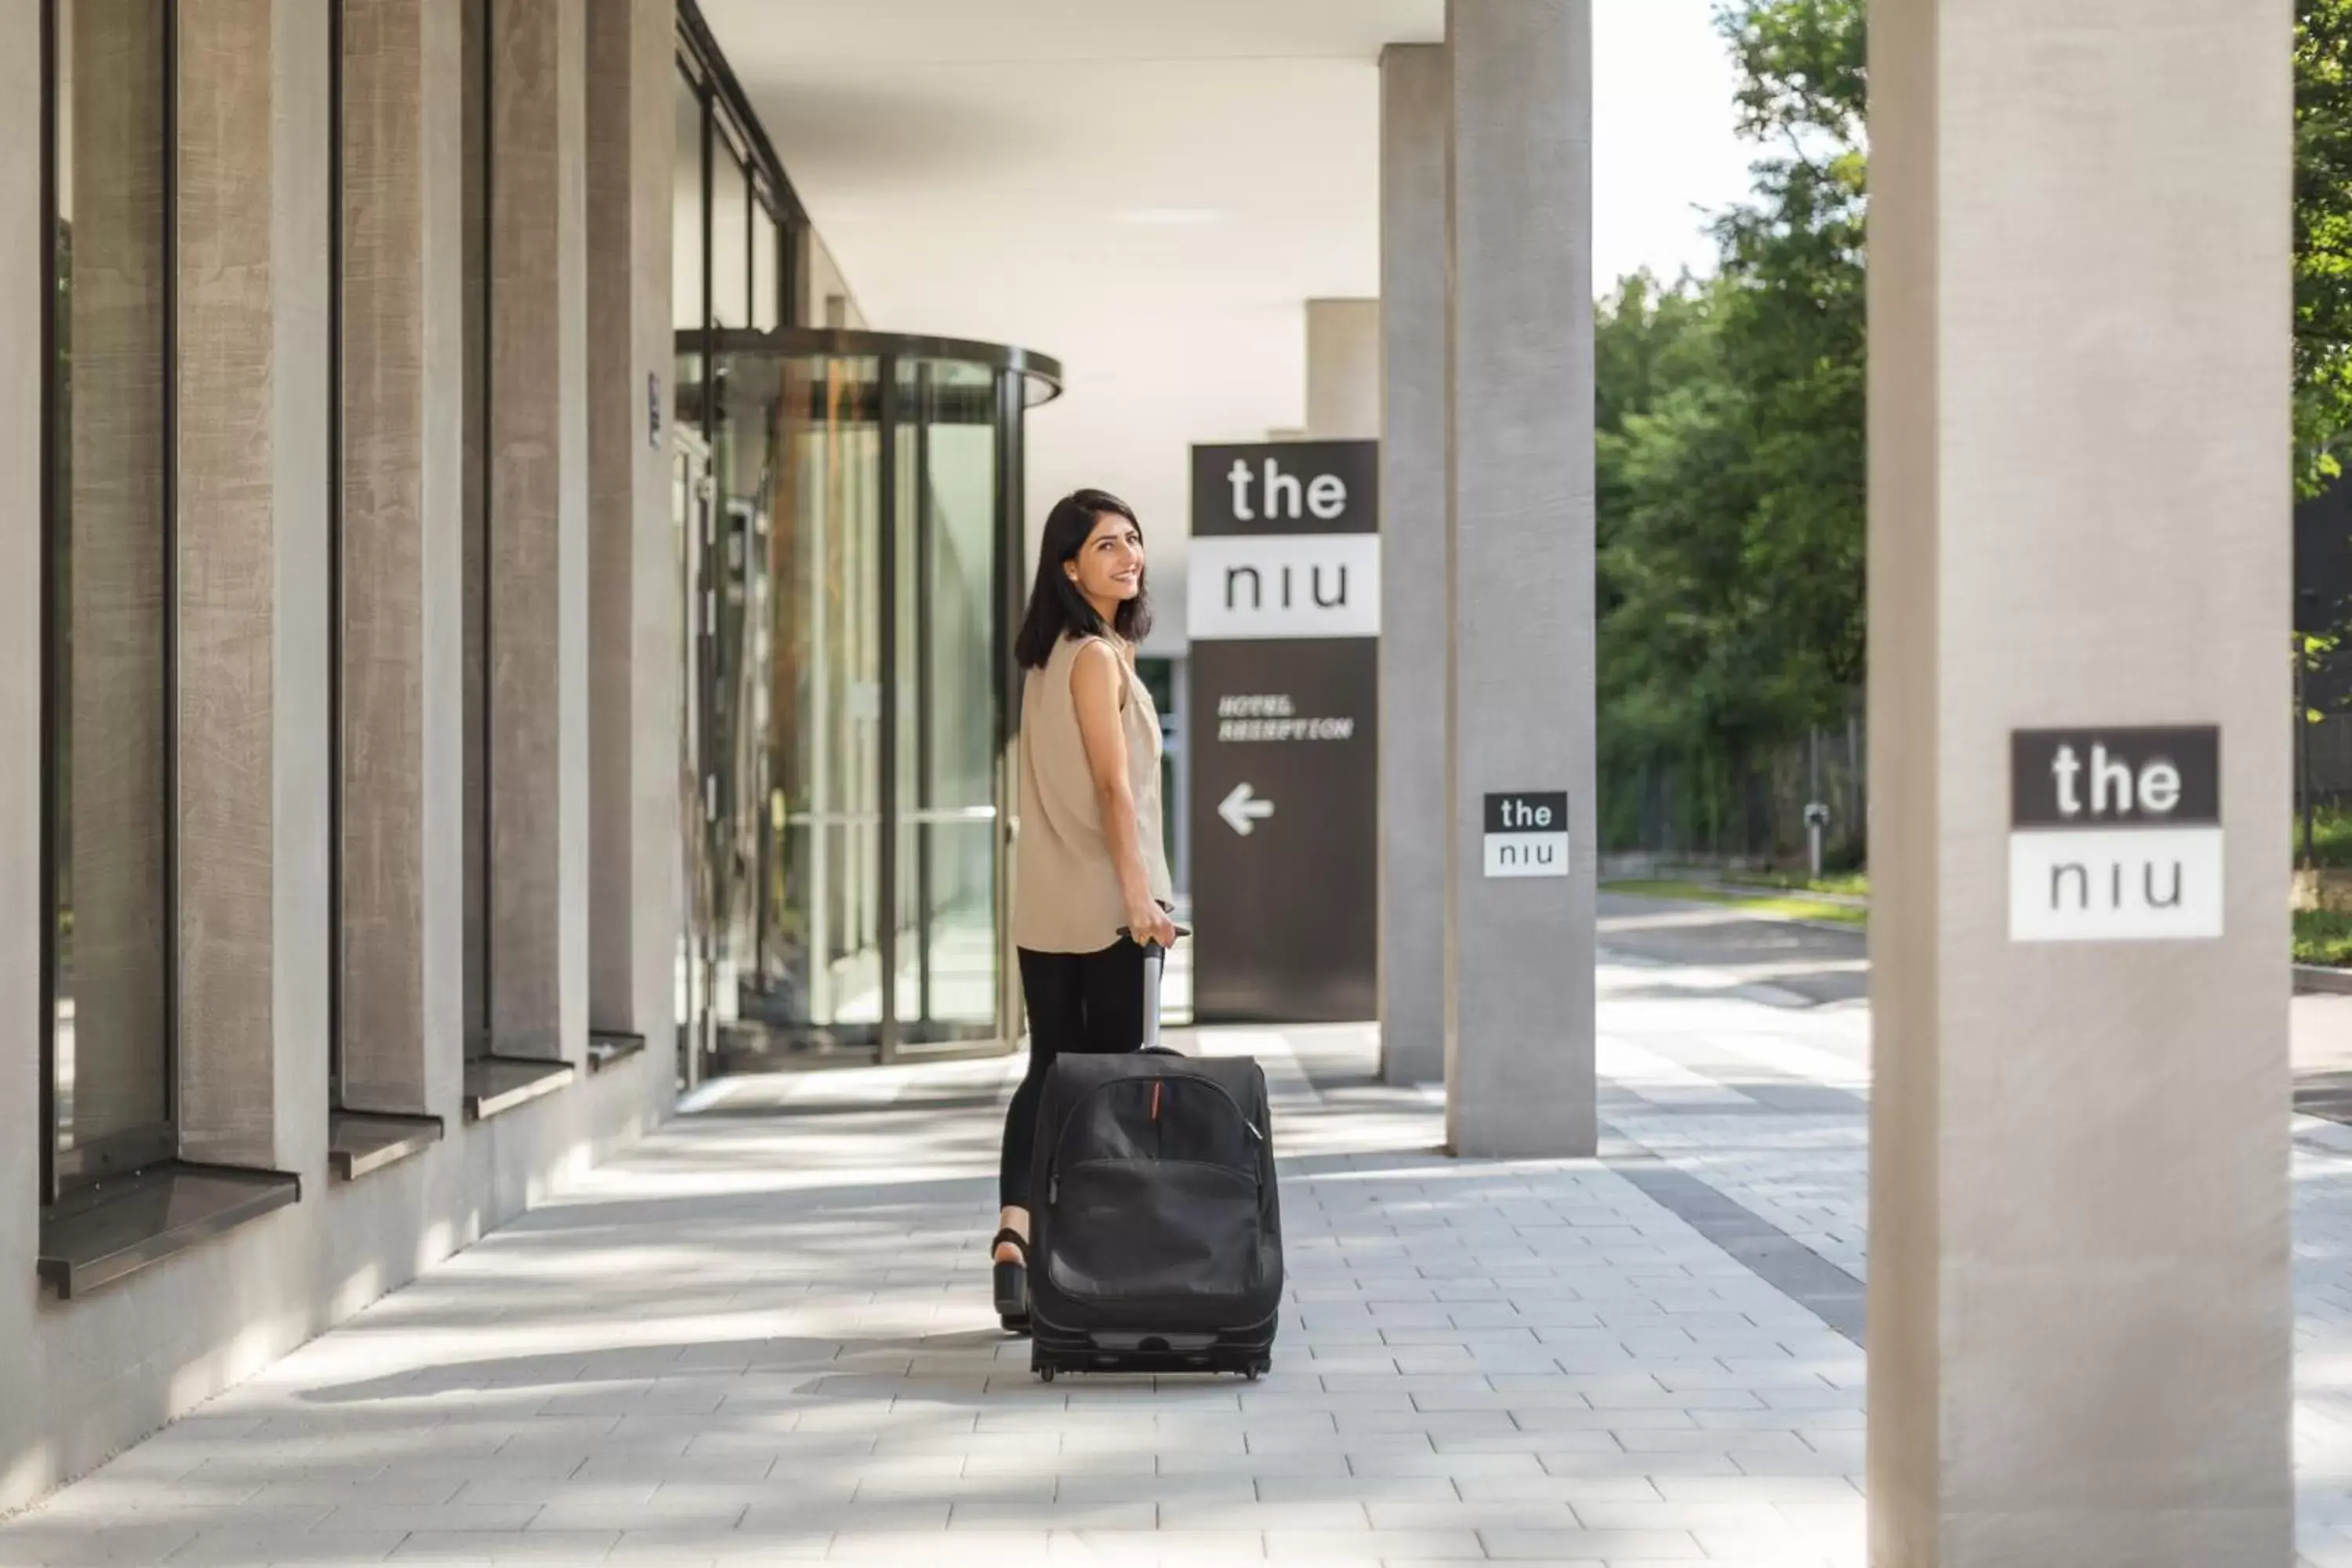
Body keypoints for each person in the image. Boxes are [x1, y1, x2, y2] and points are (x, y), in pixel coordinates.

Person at [991, 488, 1178, 1330]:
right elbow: (1113, 787)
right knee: (1107, 1085)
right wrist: (1140, 896)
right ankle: (1089, 1263)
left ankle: (1016, 1235)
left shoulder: (1048, 656)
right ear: (1070, 566)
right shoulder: (1098, 657)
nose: (1129, 555)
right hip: (1108, 905)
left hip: (1044, 902)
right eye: (1107, 544)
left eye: (1133, 539)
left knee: (1049, 1071)